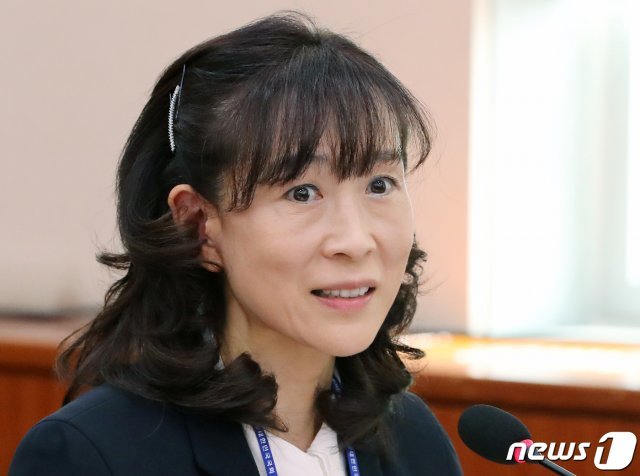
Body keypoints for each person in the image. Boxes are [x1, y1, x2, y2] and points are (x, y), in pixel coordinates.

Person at [10, 12, 462, 476]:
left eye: (380, 185)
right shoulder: (93, 454)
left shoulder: (415, 441)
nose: (355, 240)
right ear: (198, 224)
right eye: (302, 193)